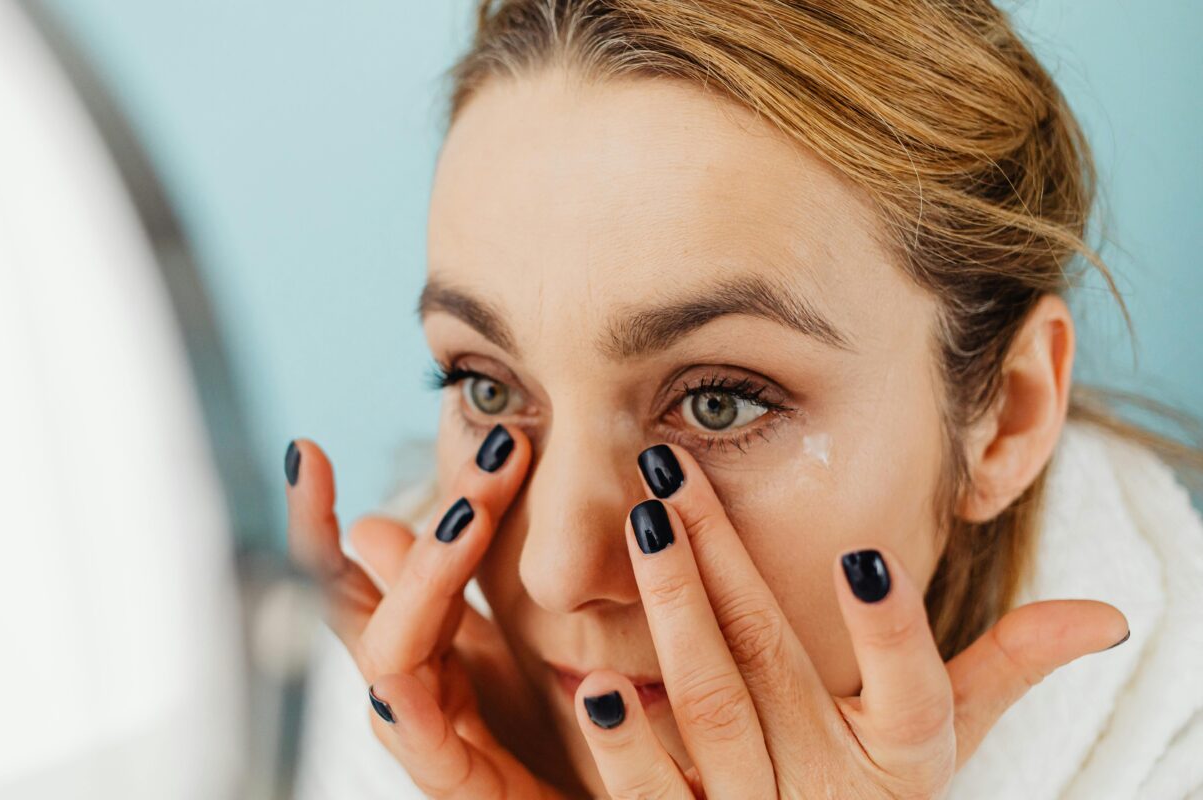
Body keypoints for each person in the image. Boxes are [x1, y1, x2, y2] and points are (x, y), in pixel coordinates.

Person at [285, 1, 1203, 797]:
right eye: (487, 388)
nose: (557, 571)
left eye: (720, 403)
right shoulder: (332, 744)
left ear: (1008, 414)